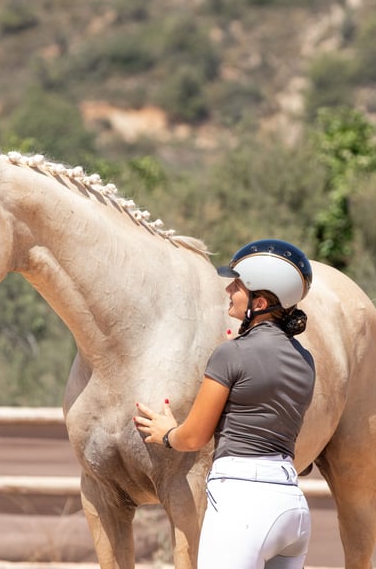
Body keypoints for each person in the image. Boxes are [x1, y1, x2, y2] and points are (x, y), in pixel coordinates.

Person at [134, 239, 316, 569]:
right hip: (292, 506)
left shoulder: (231, 353)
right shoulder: (306, 359)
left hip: (243, 504)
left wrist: (166, 433)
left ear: (259, 302)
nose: (228, 290)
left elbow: (193, 438)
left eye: (237, 285)